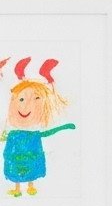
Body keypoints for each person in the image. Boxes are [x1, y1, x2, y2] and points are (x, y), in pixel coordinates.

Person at [1, 58, 75, 197]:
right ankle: (18, 189)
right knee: (16, 170)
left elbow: (48, 132)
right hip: (15, 158)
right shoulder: (13, 133)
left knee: (31, 168)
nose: (25, 107)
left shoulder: (32, 134)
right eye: (21, 100)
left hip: (29, 156)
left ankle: (30, 186)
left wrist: (65, 126)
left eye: (36, 100)